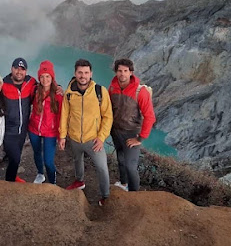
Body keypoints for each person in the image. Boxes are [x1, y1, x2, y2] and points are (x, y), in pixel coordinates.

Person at [59, 59, 113, 206]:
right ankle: (79, 181)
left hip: (93, 139)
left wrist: (101, 138)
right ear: (75, 73)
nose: (83, 76)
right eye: (80, 72)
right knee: (77, 160)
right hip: (75, 137)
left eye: (86, 73)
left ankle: (105, 196)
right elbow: (64, 114)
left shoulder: (100, 92)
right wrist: (63, 135)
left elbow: (108, 116)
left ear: (91, 73)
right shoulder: (69, 93)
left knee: (102, 168)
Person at [108, 58, 156, 192]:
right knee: (121, 159)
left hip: (131, 133)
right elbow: (106, 107)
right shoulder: (112, 88)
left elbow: (150, 117)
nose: (122, 74)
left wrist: (139, 138)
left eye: (125, 71)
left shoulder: (140, 92)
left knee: (130, 165)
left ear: (131, 72)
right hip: (116, 131)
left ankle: (134, 194)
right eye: (119, 71)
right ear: (116, 72)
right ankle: (123, 184)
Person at [28, 60, 63, 184]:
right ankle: (40, 174)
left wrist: (61, 137)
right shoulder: (34, 90)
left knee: (48, 161)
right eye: (42, 77)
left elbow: (60, 117)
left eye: (47, 76)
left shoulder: (58, 95)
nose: (44, 79)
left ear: (52, 77)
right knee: (37, 153)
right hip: (34, 129)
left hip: (50, 132)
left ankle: (52, 182)